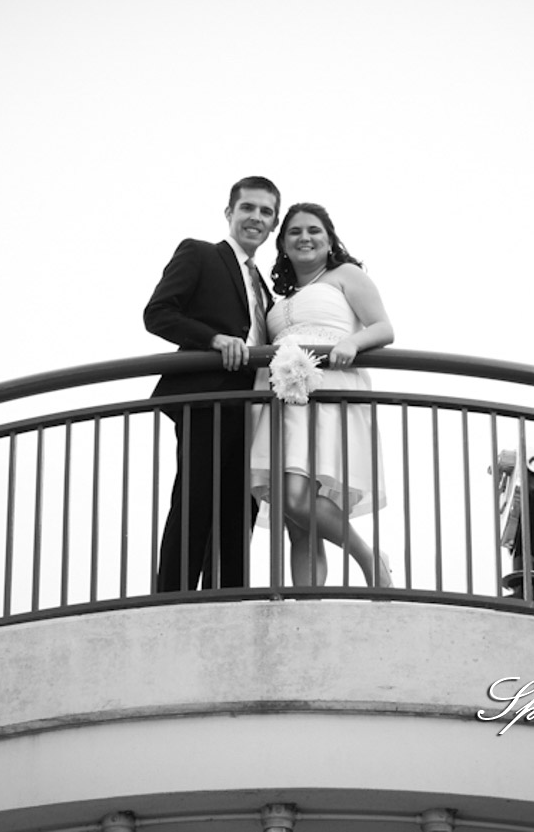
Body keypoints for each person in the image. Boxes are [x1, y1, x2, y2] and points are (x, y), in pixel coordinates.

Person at [144, 176, 280, 591]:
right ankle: (171, 599)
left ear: (273, 224)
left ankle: (229, 598)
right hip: (207, 397)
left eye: (265, 212)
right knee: (196, 498)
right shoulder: (200, 254)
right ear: (229, 213)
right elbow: (158, 313)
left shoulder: (266, 290)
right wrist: (213, 338)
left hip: (252, 408)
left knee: (242, 508)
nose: (255, 217)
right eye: (248, 208)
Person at [249, 203, 395, 587]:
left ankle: (368, 557)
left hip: (330, 394)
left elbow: (383, 327)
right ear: (282, 243)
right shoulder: (277, 301)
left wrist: (352, 342)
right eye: (295, 231)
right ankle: (306, 605)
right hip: (285, 400)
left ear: (329, 240)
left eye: (314, 230)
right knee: (296, 521)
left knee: (297, 497)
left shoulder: (345, 275)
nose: (305, 237)